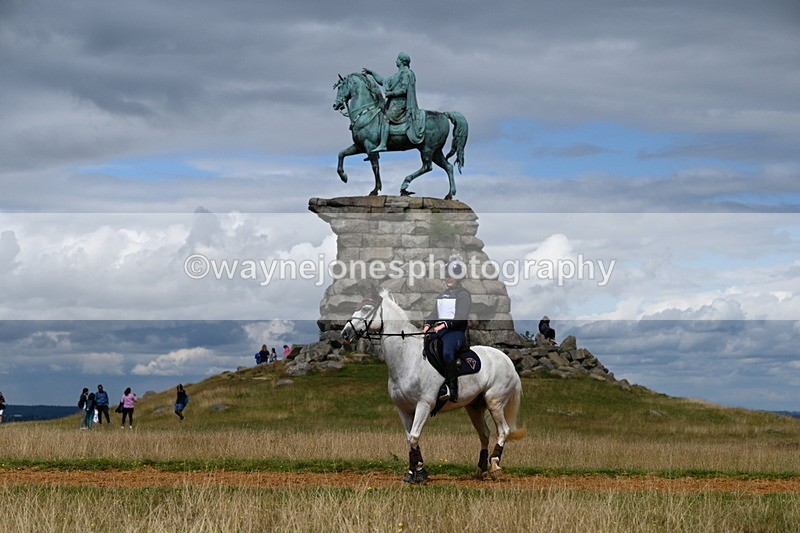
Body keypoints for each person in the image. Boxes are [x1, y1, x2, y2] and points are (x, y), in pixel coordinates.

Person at [421, 259, 472, 402]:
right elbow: (434, 314)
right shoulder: (442, 295)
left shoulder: (464, 295)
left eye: (452, 275)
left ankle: (452, 389)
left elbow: (461, 318)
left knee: (447, 353)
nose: (448, 278)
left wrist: (444, 325)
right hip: (440, 331)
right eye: (446, 275)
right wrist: (427, 326)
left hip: (455, 333)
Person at [362, 51, 425, 152]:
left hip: (401, 104)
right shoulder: (398, 74)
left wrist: (392, 94)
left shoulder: (407, 73)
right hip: (393, 103)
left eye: (397, 59)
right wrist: (372, 73)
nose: (396, 61)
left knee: (385, 118)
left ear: (402, 61)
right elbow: (383, 81)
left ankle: (383, 144)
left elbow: (404, 89)